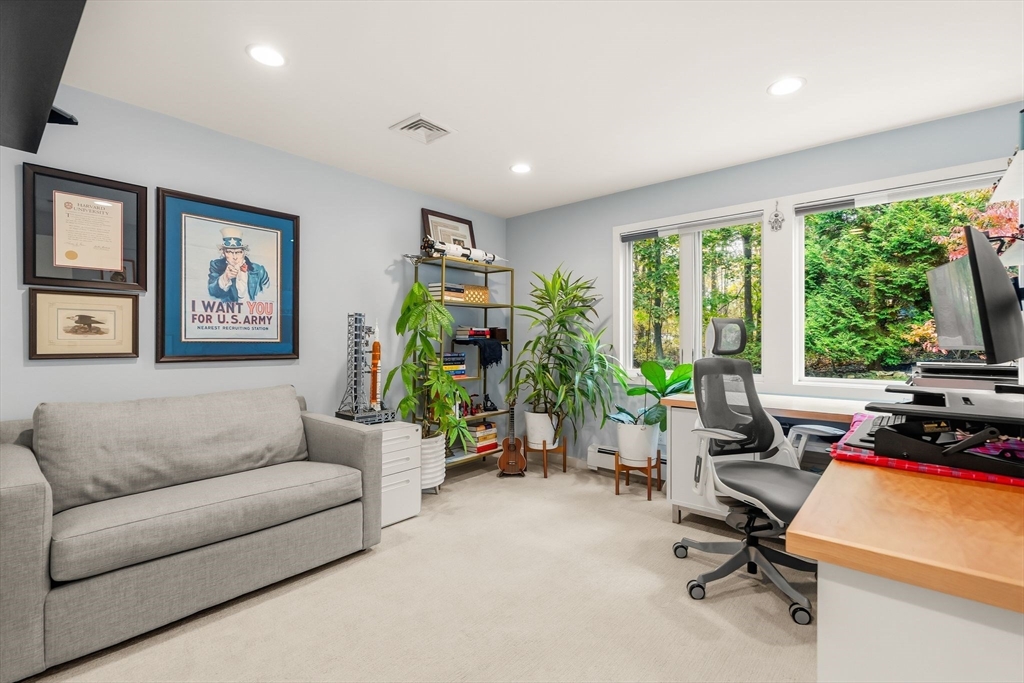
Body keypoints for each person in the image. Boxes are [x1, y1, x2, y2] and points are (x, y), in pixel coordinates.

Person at [207, 226, 270, 302]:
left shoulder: (259, 270)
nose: (234, 257)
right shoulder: (216, 266)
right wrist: (225, 277)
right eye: (229, 252)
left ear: (244, 253)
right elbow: (212, 292)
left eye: (238, 252)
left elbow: (269, 293)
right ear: (223, 253)